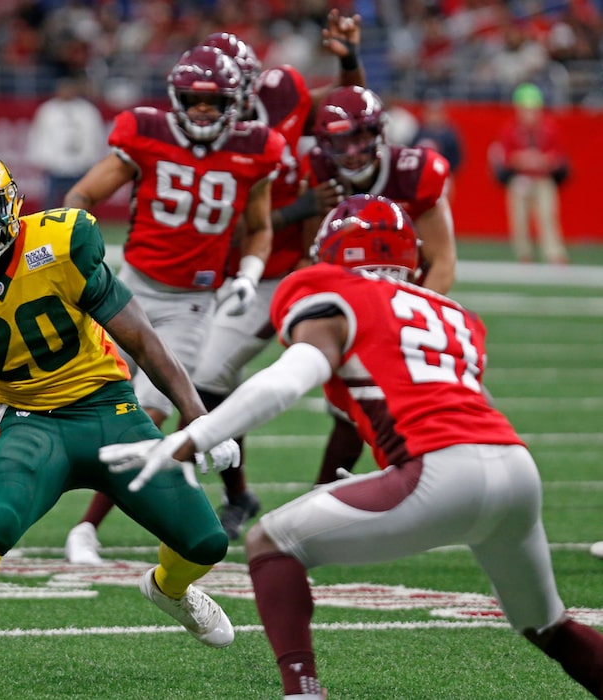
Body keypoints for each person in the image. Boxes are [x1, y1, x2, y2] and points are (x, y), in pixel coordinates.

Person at [102, 194, 603, 700]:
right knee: (548, 625)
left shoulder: (330, 290)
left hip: (443, 473)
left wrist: (193, 436)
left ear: (334, 252)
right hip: (515, 469)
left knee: (270, 544)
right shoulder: (453, 312)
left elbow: (285, 382)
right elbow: (463, 406)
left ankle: (302, 692)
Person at [0, 147, 239, 696]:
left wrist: (198, 417)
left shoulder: (61, 242)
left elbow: (140, 336)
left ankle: (169, 589)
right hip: (28, 420)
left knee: (206, 542)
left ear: (10, 204)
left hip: (106, 407)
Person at [62, 45, 286, 564]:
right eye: (193, 100)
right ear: (176, 99)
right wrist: (84, 260)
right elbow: (79, 198)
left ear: (236, 102)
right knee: (90, 398)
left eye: (214, 102)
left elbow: (259, 228)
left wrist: (249, 275)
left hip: (190, 303)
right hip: (130, 289)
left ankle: (86, 529)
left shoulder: (256, 148)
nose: (203, 111)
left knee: (150, 412)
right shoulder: (146, 133)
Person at [187, 9, 366, 541]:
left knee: (356, 376)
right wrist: (298, 208)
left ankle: (324, 502)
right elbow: (221, 228)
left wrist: (350, 60)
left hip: (290, 269)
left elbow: (342, 108)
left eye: (238, 85)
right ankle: (236, 494)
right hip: (229, 267)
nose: (231, 96)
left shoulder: (280, 93)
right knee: (205, 382)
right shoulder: (200, 132)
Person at [303, 84, 457, 484]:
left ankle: (426, 487)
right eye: (341, 141)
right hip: (349, 301)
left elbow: (442, 260)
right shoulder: (317, 172)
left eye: (360, 137)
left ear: (380, 133)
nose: (352, 151)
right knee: (353, 408)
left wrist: (409, 314)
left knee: (423, 403)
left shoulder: (414, 171)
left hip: (411, 298)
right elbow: (311, 254)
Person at [488, 82, 570, 264]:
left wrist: (541, 161)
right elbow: (505, 156)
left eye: (532, 109)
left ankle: (554, 253)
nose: (529, 114)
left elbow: (558, 156)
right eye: (525, 109)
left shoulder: (549, 128)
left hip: (543, 179)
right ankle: (524, 253)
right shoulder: (510, 130)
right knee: (519, 219)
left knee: (548, 216)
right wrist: (523, 158)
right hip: (519, 180)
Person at [25, 76, 107, 210]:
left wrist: (90, 159)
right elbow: (39, 136)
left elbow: (95, 136)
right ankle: (49, 225)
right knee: (51, 201)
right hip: (55, 166)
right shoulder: (48, 110)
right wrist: (45, 160)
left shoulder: (87, 110)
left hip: (80, 165)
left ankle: (82, 226)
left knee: (82, 200)